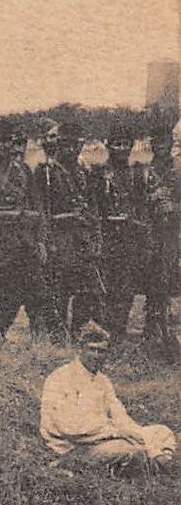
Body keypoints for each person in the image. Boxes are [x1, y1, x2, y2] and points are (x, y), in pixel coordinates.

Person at [40, 322, 174, 470]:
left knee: (162, 432)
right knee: (131, 450)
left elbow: (120, 416)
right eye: (92, 350)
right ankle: (67, 465)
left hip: (103, 438)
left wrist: (136, 434)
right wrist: (116, 433)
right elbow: (70, 428)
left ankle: (154, 463)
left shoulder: (103, 381)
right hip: (73, 446)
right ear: (80, 349)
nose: (96, 356)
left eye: (101, 351)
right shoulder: (61, 377)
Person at [0, 118, 44, 347]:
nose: (4, 146)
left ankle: (3, 333)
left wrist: (39, 239)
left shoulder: (23, 170)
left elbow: (36, 205)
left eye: (8, 141)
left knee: (20, 291)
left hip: (21, 241)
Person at [33, 121, 104, 342]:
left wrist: (95, 233)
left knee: (85, 288)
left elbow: (93, 206)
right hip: (59, 236)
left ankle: (79, 331)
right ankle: (58, 335)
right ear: (58, 145)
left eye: (75, 145)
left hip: (82, 236)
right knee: (58, 288)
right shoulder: (46, 172)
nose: (70, 150)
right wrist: (45, 240)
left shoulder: (86, 171)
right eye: (65, 145)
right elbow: (41, 208)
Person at [92, 120, 150, 341]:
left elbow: (141, 204)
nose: (120, 148)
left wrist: (136, 223)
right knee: (104, 286)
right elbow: (93, 203)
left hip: (129, 237)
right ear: (108, 145)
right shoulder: (98, 173)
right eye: (115, 144)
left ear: (131, 145)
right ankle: (102, 334)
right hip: (106, 237)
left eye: (124, 144)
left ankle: (118, 333)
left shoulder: (136, 173)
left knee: (126, 287)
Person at [142, 115, 179, 362]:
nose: (161, 146)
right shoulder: (145, 171)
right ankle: (153, 332)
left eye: (165, 141)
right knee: (155, 284)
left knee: (171, 284)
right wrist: (151, 201)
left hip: (174, 234)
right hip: (152, 234)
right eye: (156, 142)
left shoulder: (178, 170)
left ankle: (171, 336)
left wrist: (173, 207)